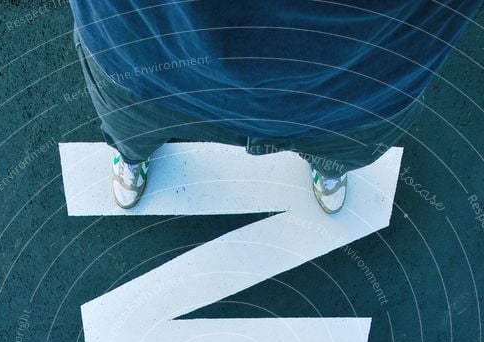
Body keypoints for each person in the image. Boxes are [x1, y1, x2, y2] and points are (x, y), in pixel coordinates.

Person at [68, 1, 480, 213]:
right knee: (130, 130)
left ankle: (329, 169)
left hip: (355, 94)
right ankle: (132, 154)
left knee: (342, 153)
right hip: (146, 62)